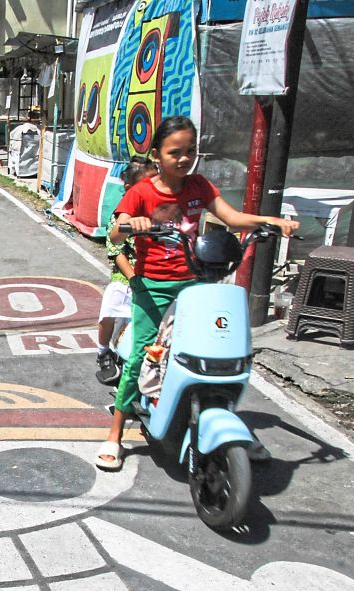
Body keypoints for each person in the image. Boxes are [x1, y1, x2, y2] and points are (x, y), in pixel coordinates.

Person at [95, 115, 298, 471]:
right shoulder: (141, 191)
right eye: (175, 152)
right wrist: (131, 225)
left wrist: (270, 221)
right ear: (157, 154)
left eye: (190, 151)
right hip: (154, 287)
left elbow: (233, 219)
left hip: (196, 282)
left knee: (215, 349)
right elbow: (114, 233)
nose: (184, 158)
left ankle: (220, 423)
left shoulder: (199, 186)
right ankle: (114, 434)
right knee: (145, 353)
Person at [96, 157, 158, 385]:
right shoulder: (120, 215)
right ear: (130, 189)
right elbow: (116, 250)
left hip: (154, 273)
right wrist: (133, 278)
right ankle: (103, 351)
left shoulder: (162, 211)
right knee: (111, 306)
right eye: (147, 184)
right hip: (128, 275)